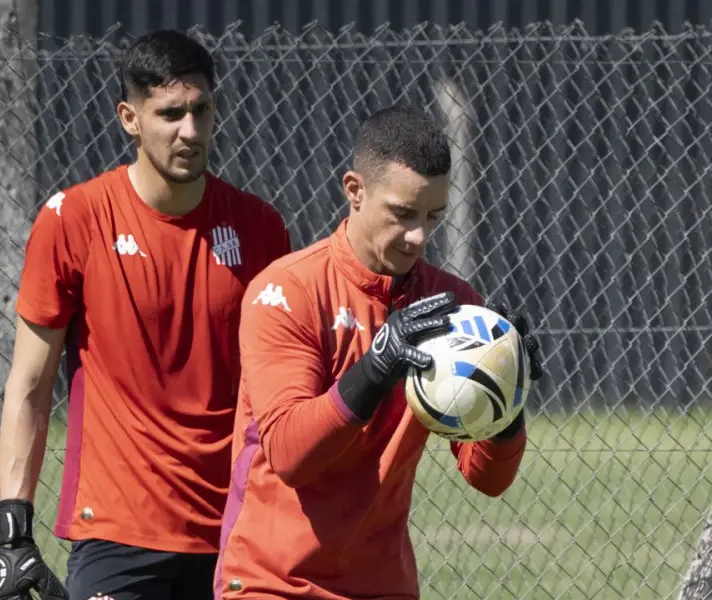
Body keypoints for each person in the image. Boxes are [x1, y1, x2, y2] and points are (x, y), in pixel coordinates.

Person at [0, 29, 292, 600]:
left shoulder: (261, 228)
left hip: (237, 528)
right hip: (116, 533)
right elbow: (29, 385)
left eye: (202, 110)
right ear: (130, 118)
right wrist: (12, 528)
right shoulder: (73, 219)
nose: (191, 131)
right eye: (171, 113)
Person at [213, 104, 544, 600]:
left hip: (383, 585)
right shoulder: (285, 291)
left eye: (433, 216)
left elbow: (486, 477)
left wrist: (505, 403)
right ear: (354, 190)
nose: (419, 236)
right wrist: (376, 367)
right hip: (272, 582)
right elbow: (289, 456)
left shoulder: (450, 304)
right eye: (403, 213)